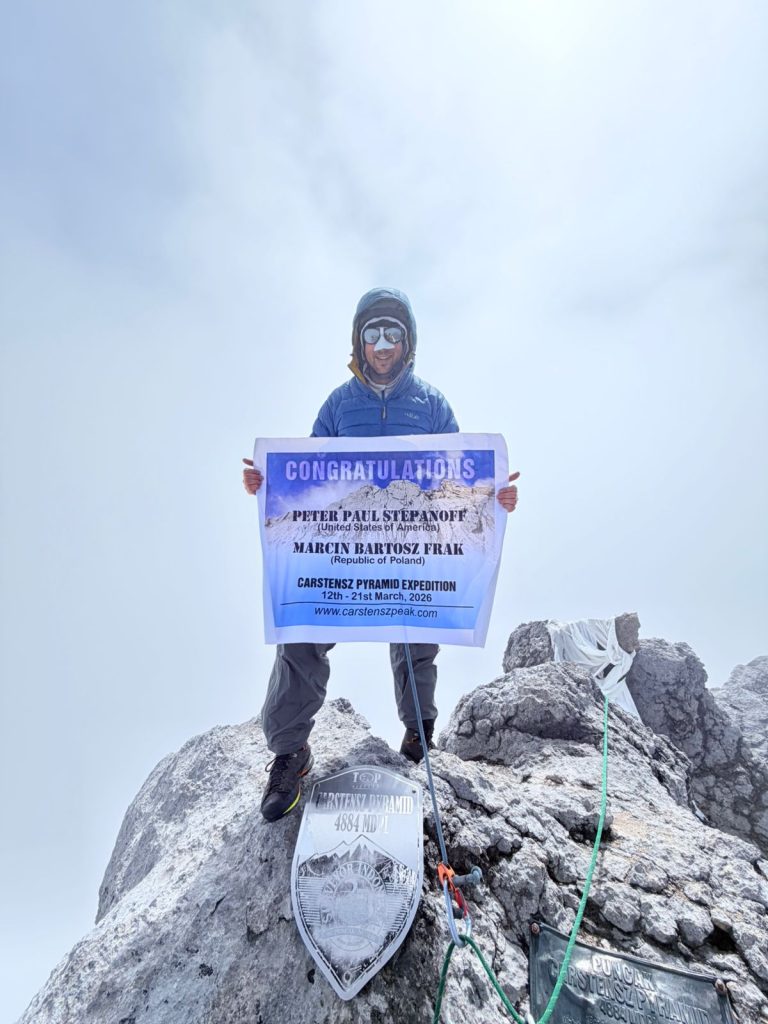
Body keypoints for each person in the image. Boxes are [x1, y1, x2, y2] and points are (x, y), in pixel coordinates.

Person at [243, 287, 519, 821]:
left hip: (410, 544)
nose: (384, 343)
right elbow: (308, 479)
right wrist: (267, 481)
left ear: (408, 341)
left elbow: (456, 478)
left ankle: (419, 737)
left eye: (394, 333)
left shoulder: (432, 405)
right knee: (300, 634)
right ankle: (290, 752)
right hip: (343, 546)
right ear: (359, 341)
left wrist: (495, 494)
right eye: (374, 333)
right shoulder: (339, 406)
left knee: (417, 633)